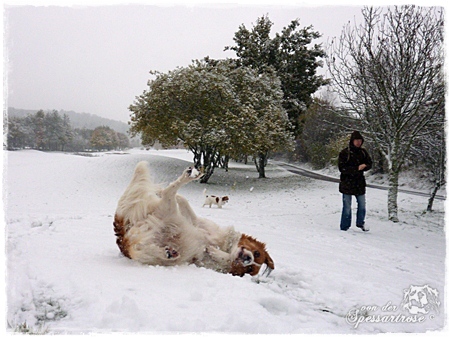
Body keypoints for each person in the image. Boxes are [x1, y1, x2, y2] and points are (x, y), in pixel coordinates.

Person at [338, 131, 372, 231]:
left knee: (362, 205)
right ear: (352, 141)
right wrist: (357, 168)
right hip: (347, 183)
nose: (358, 142)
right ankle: (345, 226)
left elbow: (369, 163)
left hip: (359, 183)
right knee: (347, 207)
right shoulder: (345, 153)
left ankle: (360, 223)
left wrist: (365, 166)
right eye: (356, 140)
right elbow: (342, 168)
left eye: (360, 141)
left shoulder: (363, 152)